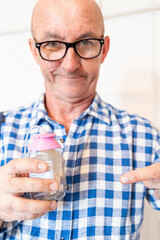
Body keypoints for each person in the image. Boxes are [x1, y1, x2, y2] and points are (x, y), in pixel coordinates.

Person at [0, 0, 160, 239]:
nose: (70, 64)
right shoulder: (3, 130)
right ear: (35, 51)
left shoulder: (144, 136)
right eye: (53, 44)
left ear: (104, 49)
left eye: (85, 43)